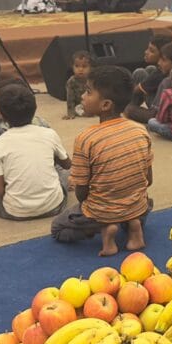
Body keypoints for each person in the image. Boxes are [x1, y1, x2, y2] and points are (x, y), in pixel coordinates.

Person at [52, 66, 153, 257]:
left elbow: (81, 192)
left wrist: (100, 211)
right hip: (136, 206)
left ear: (106, 104)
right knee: (146, 204)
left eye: (88, 92)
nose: (82, 96)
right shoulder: (140, 130)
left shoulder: (86, 139)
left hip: (101, 211)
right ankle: (134, 226)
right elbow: (148, 180)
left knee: (58, 228)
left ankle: (105, 228)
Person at [0, 83, 70, 220]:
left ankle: (18, 193)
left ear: (3, 113)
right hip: (55, 206)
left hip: (15, 211)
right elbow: (67, 165)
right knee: (65, 173)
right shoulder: (49, 133)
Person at [128, 41, 172, 123]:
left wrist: (131, 110)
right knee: (149, 70)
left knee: (130, 110)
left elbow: (155, 116)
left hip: (170, 121)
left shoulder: (167, 82)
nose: (159, 63)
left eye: (163, 60)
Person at [130, 34, 172, 107]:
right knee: (150, 69)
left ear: (162, 55)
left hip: (157, 108)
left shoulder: (160, 74)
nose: (146, 52)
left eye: (151, 51)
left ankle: (129, 107)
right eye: (148, 48)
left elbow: (136, 90)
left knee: (139, 72)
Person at [62, 50, 91, 119]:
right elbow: (70, 99)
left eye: (84, 66)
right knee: (78, 109)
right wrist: (70, 113)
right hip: (79, 105)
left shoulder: (93, 80)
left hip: (91, 103)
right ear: (72, 67)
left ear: (91, 68)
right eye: (77, 66)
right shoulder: (71, 82)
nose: (80, 69)